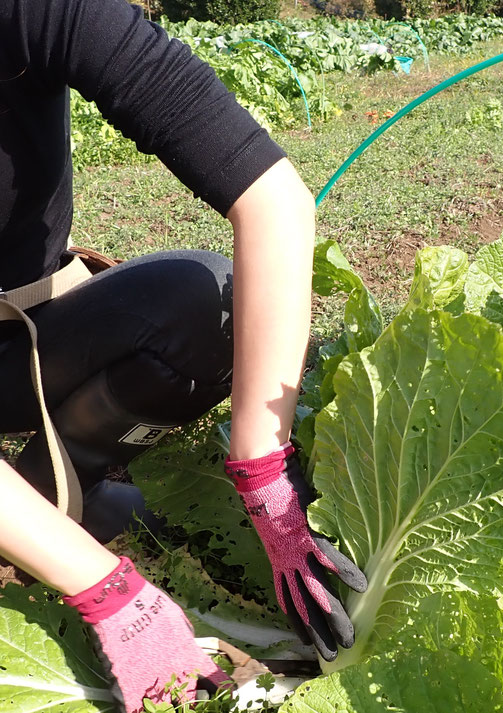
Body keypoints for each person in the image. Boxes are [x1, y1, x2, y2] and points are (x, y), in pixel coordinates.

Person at [0, 0, 366, 710]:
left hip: (25, 332)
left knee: (211, 302)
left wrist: (266, 475)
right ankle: (54, 539)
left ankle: (57, 492)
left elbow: (271, 200)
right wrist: (108, 592)